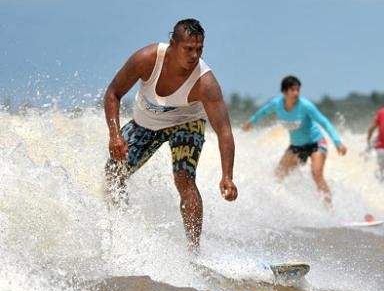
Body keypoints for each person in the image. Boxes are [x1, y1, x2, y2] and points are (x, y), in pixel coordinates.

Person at [103, 18, 238, 254]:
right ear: (172, 44)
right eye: (188, 49)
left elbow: (224, 131)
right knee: (114, 172)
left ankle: (193, 253)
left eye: (199, 49)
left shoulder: (205, 83)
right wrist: (115, 135)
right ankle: (119, 230)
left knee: (184, 178)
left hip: (186, 123)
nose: (194, 55)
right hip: (145, 124)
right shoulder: (146, 60)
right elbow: (113, 93)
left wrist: (227, 176)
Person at [242, 76, 347, 206]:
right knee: (278, 176)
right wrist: (250, 122)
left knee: (316, 174)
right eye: (293, 90)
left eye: (298, 90)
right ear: (285, 92)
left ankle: (330, 210)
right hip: (296, 146)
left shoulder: (305, 105)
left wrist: (337, 142)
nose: (296, 93)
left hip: (316, 143)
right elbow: (263, 112)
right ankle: (272, 206)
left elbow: (323, 121)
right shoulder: (277, 104)